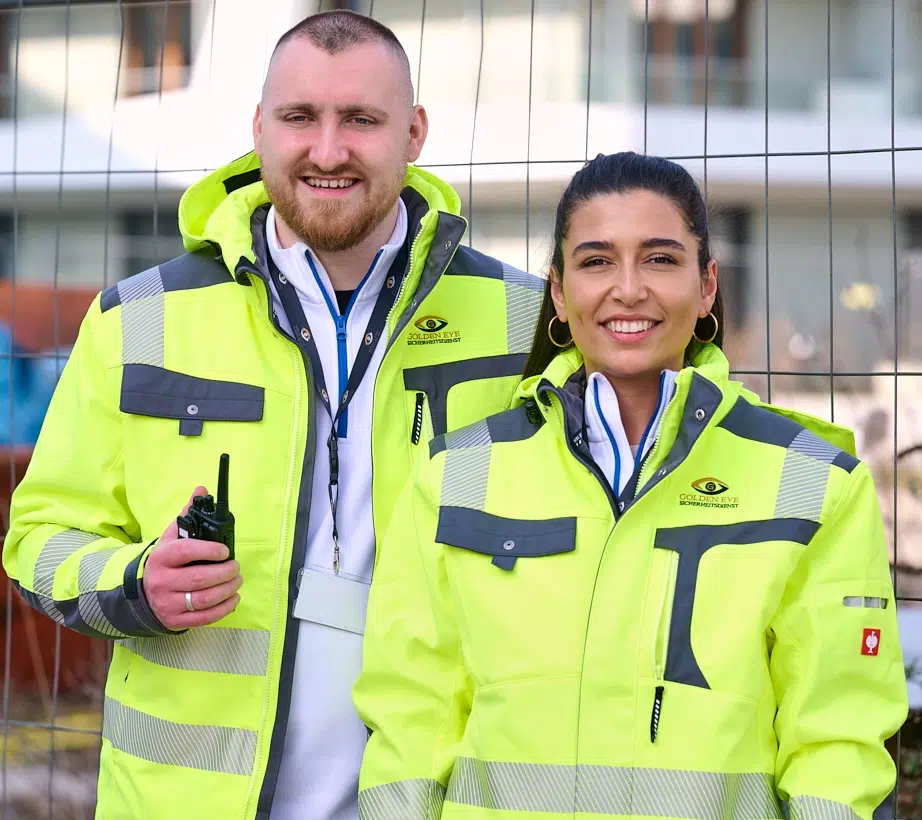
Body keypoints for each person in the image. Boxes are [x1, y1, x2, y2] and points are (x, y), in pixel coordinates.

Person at [2, 10, 542, 820]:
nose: (328, 150)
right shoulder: (136, 319)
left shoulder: (524, 321)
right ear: (259, 128)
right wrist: (133, 582)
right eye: (300, 118)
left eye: (361, 119)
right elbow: (37, 540)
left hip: (431, 796)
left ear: (415, 132)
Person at [354, 151, 908, 820]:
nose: (628, 288)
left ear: (706, 286)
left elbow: (836, 743)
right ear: (558, 291)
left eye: (659, 258)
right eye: (595, 261)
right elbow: (412, 718)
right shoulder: (456, 475)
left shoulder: (812, 483)